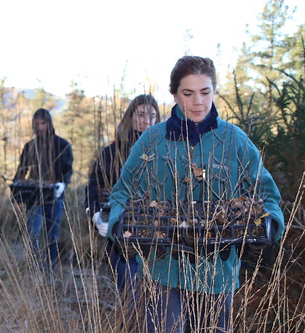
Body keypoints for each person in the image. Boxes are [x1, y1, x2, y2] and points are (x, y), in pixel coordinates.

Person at [105, 56, 285, 332]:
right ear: (175, 94)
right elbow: (123, 192)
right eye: (188, 93)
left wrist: (271, 222)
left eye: (205, 92)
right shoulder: (153, 140)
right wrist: (118, 223)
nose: (198, 102)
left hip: (217, 272)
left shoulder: (232, 140)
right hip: (163, 268)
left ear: (214, 92)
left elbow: (266, 193)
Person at [85, 94, 160, 292]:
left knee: (158, 298)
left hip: (159, 235)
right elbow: (93, 187)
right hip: (121, 234)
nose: (147, 121)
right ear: (131, 116)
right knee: (130, 292)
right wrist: (96, 215)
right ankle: (131, 322)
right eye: (141, 114)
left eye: (152, 116)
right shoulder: (112, 152)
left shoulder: (163, 151)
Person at [14, 108, 73, 272]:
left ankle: (50, 269)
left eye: (43, 123)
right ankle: (35, 268)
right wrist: (16, 190)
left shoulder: (62, 145)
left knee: (51, 235)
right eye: (37, 124)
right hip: (33, 197)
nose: (40, 127)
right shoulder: (30, 146)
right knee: (33, 233)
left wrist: (63, 185)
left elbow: (68, 169)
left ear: (49, 124)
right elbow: (21, 170)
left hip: (54, 196)